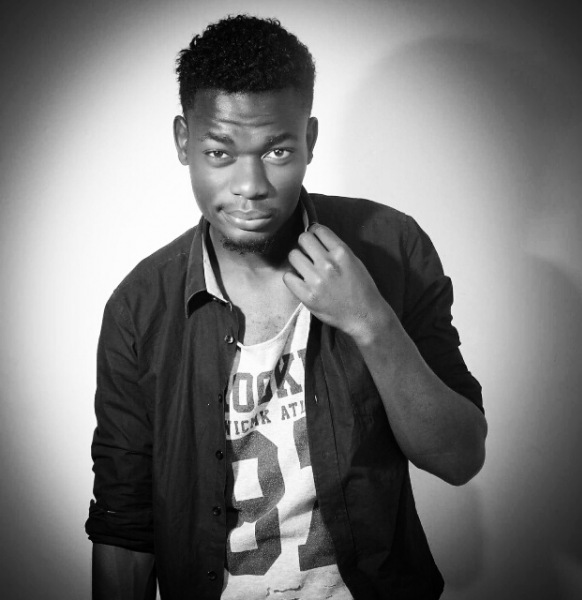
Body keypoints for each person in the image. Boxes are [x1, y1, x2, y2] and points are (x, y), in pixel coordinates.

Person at [86, 14, 487, 600]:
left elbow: (459, 457)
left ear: (310, 140)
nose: (250, 186)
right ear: (183, 141)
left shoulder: (392, 247)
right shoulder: (139, 308)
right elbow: (124, 523)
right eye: (219, 152)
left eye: (277, 150)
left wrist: (369, 319)